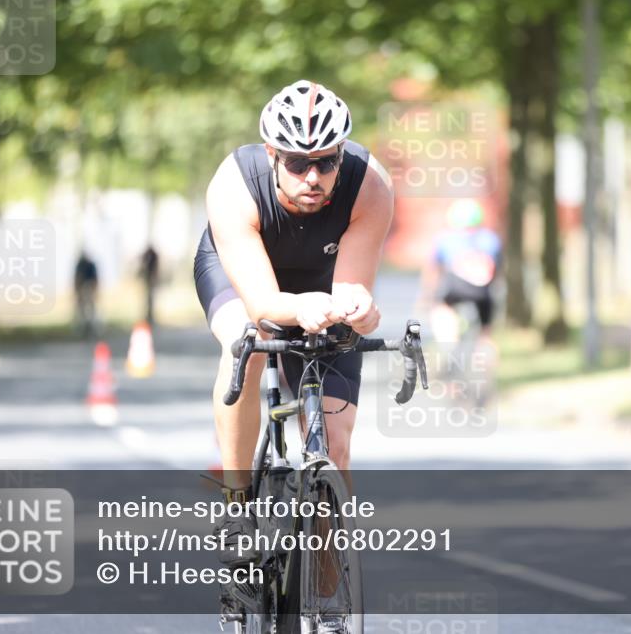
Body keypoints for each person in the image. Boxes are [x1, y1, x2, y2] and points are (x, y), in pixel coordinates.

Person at [193, 80, 393, 566]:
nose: (313, 177)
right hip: (243, 278)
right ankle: (237, 505)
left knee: (335, 447)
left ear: (341, 154)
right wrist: (300, 308)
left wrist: (361, 310)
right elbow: (263, 304)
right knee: (247, 339)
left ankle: (329, 592)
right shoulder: (235, 184)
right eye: (298, 164)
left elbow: (350, 291)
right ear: (272, 155)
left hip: (322, 282)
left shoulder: (370, 185)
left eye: (326, 162)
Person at [419, 198, 502, 344]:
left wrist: (427, 295)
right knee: (486, 330)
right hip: (483, 293)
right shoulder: (491, 239)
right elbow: (496, 269)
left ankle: (449, 342)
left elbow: (433, 270)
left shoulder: (445, 239)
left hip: (454, 290)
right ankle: (486, 344)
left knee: (442, 308)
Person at [73, 252, 99, 337]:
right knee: (82, 310)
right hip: (82, 288)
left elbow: (94, 279)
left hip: (88, 287)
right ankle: (83, 328)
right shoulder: (80, 265)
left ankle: (91, 328)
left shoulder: (89, 265)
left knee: (91, 310)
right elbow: (77, 278)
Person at [139, 244, 159, 325]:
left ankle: (150, 316)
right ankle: (148, 316)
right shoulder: (149, 255)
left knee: (150, 299)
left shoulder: (153, 255)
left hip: (150, 279)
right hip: (148, 279)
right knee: (148, 299)